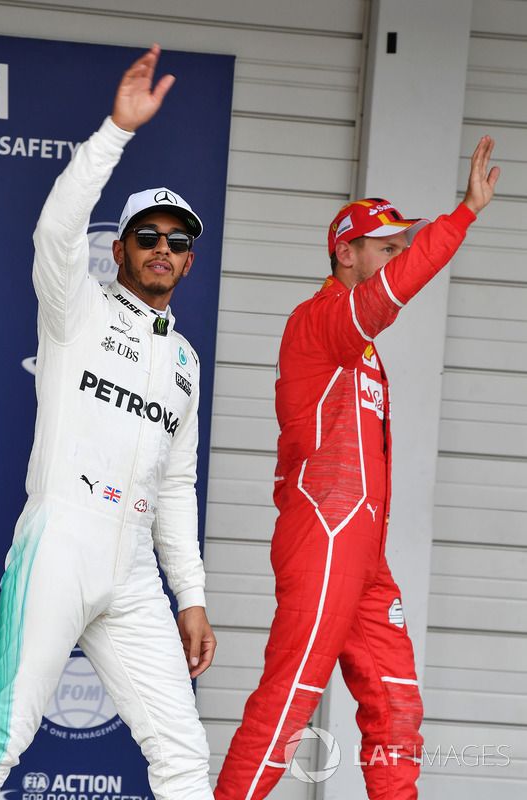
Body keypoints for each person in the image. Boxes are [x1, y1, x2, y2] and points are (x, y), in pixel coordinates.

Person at [215, 138, 500, 800]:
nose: (394, 259)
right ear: (345, 252)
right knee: (287, 703)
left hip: (364, 554)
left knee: (396, 704)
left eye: (401, 246)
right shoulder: (321, 320)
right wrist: (461, 216)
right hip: (322, 535)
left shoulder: (363, 349)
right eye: (385, 246)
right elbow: (391, 294)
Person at [0, 45, 216, 800]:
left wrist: (190, 596)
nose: (162, 249)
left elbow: (178, 483)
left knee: (186, 755)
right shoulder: (76, 311)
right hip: (61, 539)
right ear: (118, 249)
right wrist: (116, 134)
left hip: (133, 572)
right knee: (3, 737)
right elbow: (56, 231)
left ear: (189, 262)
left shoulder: (184, 361)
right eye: (147, 237)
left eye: (177, 241)